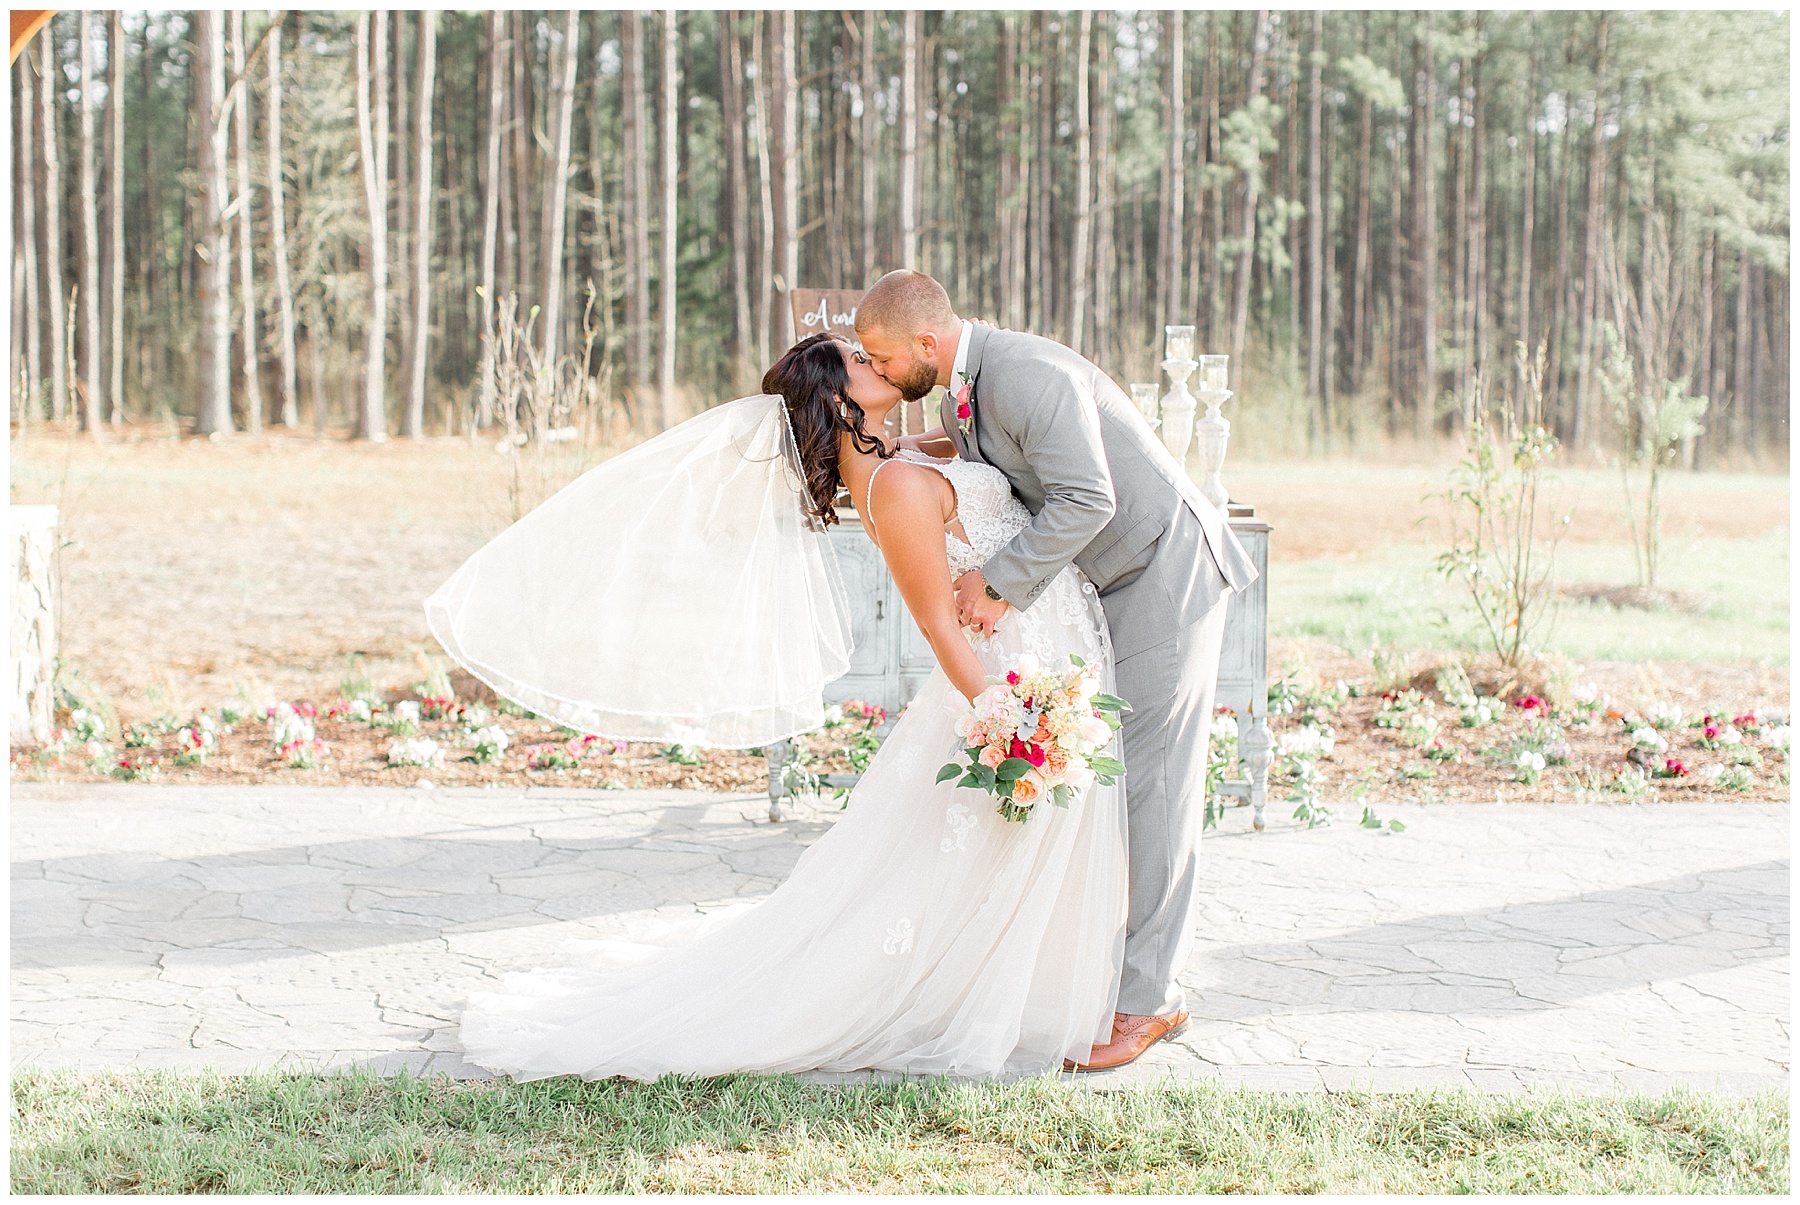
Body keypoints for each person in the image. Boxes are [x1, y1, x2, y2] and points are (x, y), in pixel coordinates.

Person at [435, 333, 1129, 1081]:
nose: (876, 362)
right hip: (1007, 681)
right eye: (860, 361)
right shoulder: (894, 487)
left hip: (1034, 657)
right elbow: (937, 623)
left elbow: (964, 451)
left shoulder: (897, 459)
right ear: (837, 399)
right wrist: (1010, 723)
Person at [855, 270, 1258, 1071]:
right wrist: (905, 449)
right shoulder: (963, 384)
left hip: (1163, 573)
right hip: (1119, 585)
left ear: (925, 343)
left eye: (881, 358)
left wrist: (999, 582)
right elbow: (988, 449)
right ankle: (1124, 977)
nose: (878, 371)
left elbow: (1087, 498)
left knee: (1154, 787)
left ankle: (1151, 1001)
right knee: (1124, 785)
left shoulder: (1026, 372)